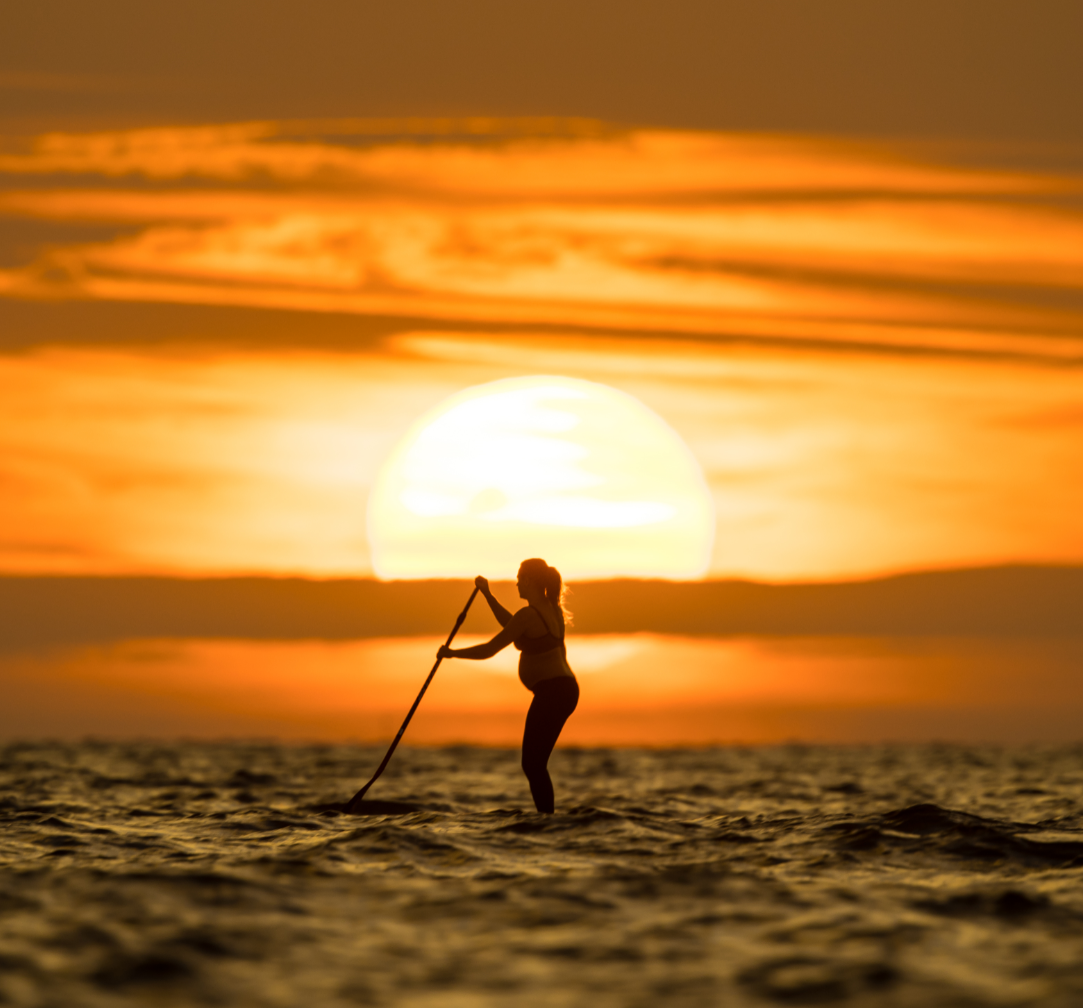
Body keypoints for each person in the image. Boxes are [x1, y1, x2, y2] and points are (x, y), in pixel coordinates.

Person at [438, 558, 579, 814]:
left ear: (528, 581)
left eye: (518, 578)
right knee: (535, 764)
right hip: (566, 690)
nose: (515, 584)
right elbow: (513, 624)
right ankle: (547, 819)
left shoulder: (529, 615)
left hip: (554, 692)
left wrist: (452, 653)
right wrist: (487, 595)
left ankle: (546, 821)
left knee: (533, 765)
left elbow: (490, 649)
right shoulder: (551, 609)